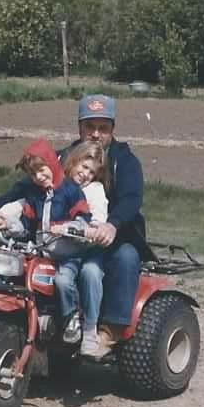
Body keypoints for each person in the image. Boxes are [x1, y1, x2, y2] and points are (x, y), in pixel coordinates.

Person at [0, 141, 111, 356]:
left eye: (91, 171)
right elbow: (23, 208)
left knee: (82, 275)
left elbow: (88, 219)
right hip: (48, 249)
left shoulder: (87, 191)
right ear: (73, 162)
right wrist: (1, 217)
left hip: (81, 250)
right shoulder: (48, 188)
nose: (86, 174)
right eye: (83, 167)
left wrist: (81, 228)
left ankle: (85, 326)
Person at [56, 94, 150, 359]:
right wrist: (0, 209)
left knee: (126, 256)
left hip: (116, 234)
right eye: (90, 126)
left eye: (103, 128)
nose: (95, 134)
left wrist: (112, 225)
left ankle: (111, 329)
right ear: (80, 127)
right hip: (67, 233)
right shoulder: (65, 156)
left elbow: (132, 198)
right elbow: (34, 182)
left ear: (112, 130)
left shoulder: (124, 160)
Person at [0, 136, 92, 249]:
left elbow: (83, 220)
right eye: (33, 174)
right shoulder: (35, 195)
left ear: (52, 164)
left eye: (41, 170)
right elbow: (25, 225)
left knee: (63, 277)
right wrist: (6, 223)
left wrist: (67, 229)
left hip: (66, 254)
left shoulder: (71, 190)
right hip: (40, 250)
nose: (39, 176)